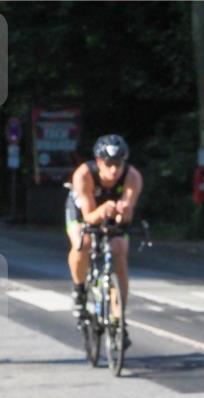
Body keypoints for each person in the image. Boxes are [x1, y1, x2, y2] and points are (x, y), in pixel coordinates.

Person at [64, 134, 143, 349]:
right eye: (109, 164)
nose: (114, 169)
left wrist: (123, 212)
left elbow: (126, 213)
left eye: (118, 164)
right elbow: (89, 216)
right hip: (84, 210)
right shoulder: (83, 174)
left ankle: (119, 320)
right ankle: (79, 291)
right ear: (99, 162)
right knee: (83, 242)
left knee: (119, 253)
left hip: (108, 211)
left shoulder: (132, 176)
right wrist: (102, 210)